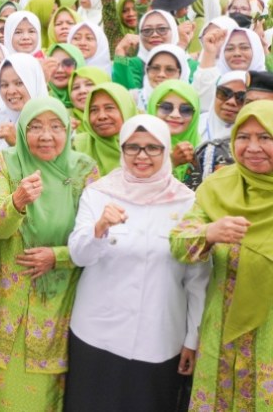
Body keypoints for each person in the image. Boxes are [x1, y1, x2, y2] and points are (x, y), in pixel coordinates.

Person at [66, 115, 209, 411]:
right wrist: (100, 227)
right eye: (133, 147)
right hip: (97, 333)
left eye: (152, 148)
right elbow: (79, 255)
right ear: (122, 149)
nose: (141, 156)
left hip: (158, 337)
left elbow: (197, 279)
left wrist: (192, 339)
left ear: (166, 150)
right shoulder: (99, 193)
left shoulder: (187, 203)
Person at [0, 97, 99, 410]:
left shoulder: (83, 169)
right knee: (3, 394)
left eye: (55, 127)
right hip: (9, 300)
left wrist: (57, 256)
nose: (46, 136)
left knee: (46, 395)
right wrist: (17, 201)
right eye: (35, 127)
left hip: (57, 301)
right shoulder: (7, 162)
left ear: (68, 130)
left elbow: (94, 238)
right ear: (22, 131)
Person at [171, 100, 273, 411]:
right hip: (221, 329)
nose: (253, 147)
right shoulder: (218, 186)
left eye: (265, 137)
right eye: (243, 137)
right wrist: (209, 233)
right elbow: (178, 244)